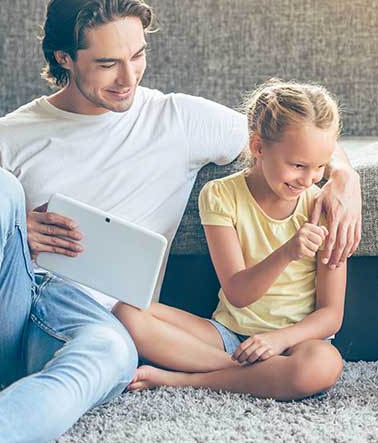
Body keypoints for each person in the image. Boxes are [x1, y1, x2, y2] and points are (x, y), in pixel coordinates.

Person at [0, 0, 361, 442]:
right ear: (64, 57)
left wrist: (344, 182)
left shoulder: (179, 119)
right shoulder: (7, 136)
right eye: (108, 63)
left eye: (138, 55)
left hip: (96, 323)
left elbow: (293, 137)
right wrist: (15, 229)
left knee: (112, 351)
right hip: (4, 317)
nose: (128, 78)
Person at [113, 79, 347, 400]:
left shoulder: (324, 207)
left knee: (324, 364)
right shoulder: (221, 195)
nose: (308, 180)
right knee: (127, 312)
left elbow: (331, 314)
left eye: (320, 167)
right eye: (297, 165)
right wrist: (288, 252)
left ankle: (183, 379)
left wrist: (278, 340)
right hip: (227, 335)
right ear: (258, 148)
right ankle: (248, 372)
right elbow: (237, 293)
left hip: (295, 343)